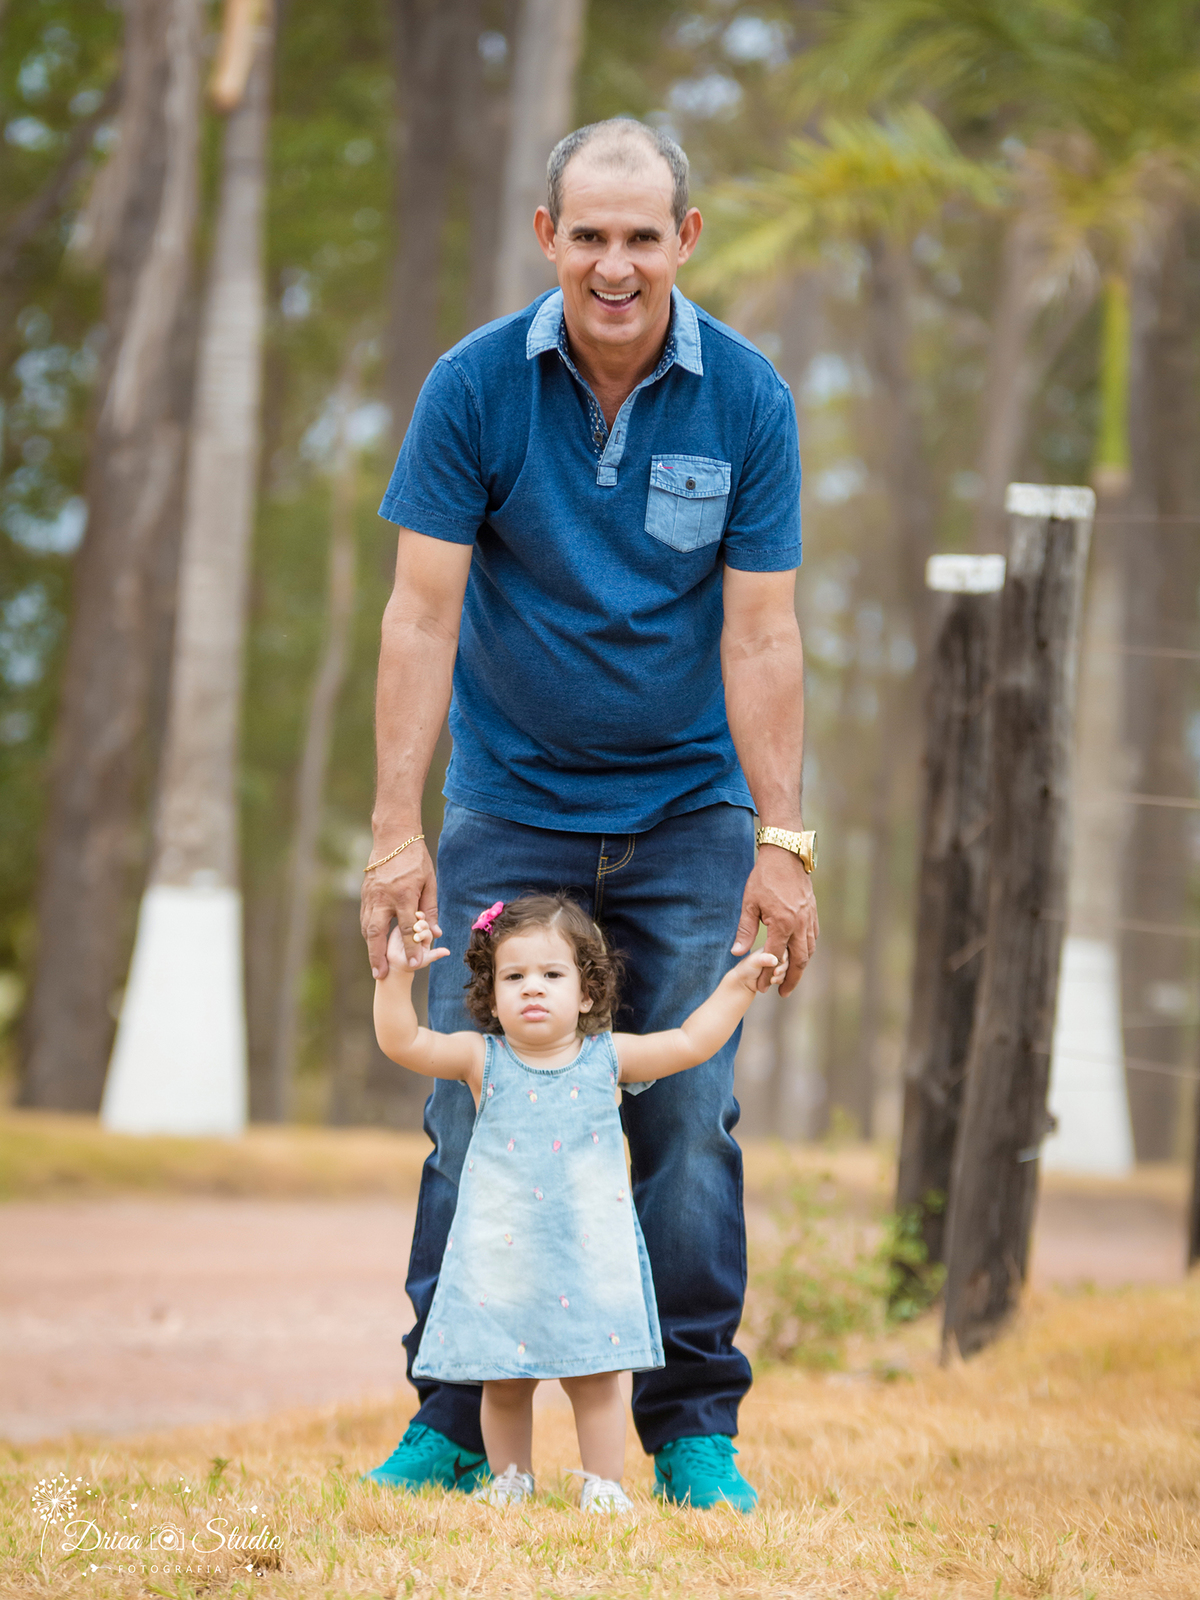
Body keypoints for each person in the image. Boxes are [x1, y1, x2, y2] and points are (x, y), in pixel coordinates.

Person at [363, 115, 817, 1513]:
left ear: (685, 239)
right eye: (588, 235)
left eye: (641, 236)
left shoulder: (746, 399)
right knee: (474, 1122)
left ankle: (692, 1430)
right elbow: (422, 611)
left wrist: (781, 843)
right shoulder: (473, 389)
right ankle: (448, 1420)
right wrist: (397, 830)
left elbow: (763, 639)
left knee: (687, 1116)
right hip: (510, 805)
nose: (613, 265)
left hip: (688, 814)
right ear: (546, 235)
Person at [374, 893, 788, 1511]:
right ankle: (511, 1475)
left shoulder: (607, 1059)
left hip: (589, 1251)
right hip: (504, 1255)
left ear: (587, 993)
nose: (532, 989)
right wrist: (398, 976)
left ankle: (604, 1483)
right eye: (514, 977)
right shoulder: (480, 1060)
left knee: (595, 1375)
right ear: (490, 997)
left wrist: (737, 989)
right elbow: (401, 1041)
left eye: (551, 975)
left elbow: (690, 1043)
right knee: (504, 1377)